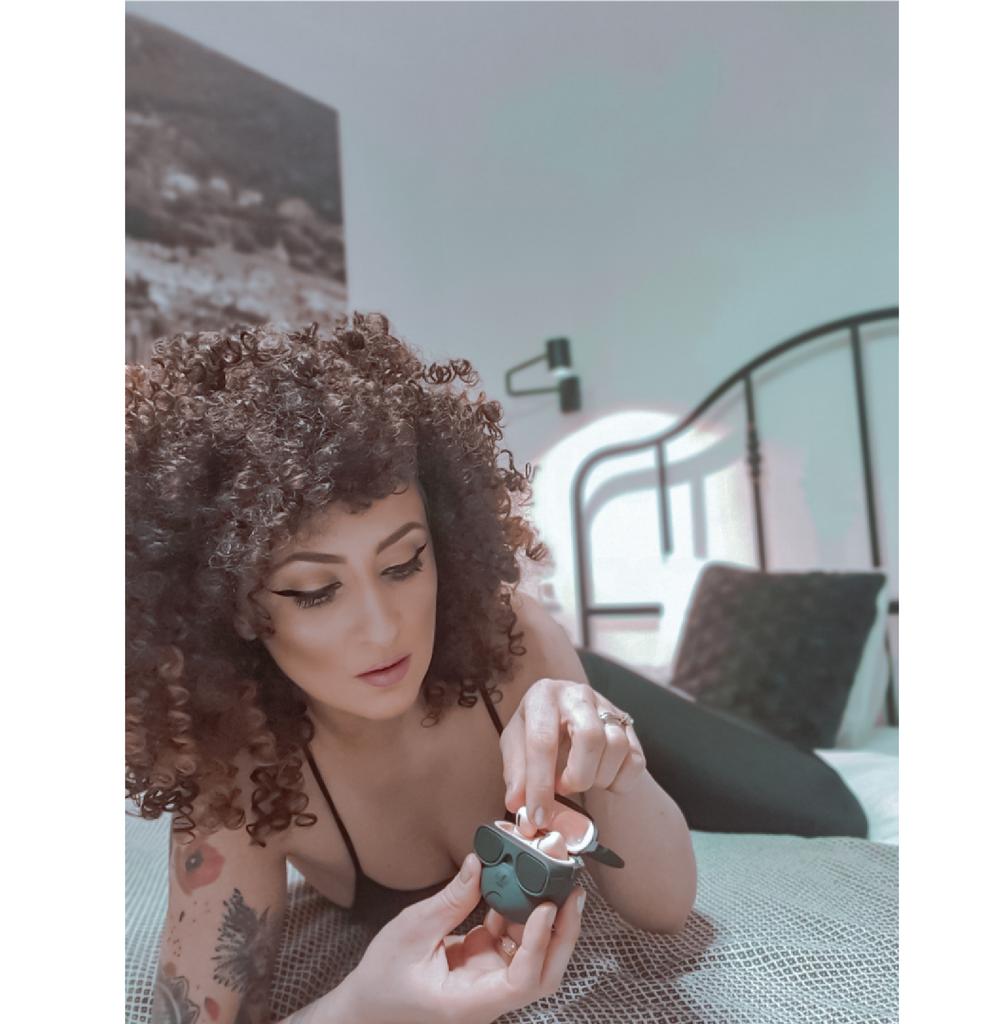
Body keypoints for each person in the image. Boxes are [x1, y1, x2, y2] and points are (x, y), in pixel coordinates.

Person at [126, 313, 697, 1024]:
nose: (382, 628)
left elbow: (668, 909)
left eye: (403, 564)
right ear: (223, 608)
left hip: (581, 700)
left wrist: (613, 755)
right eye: (315, 591)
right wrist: (361, 1009)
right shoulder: (240, 774)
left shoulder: (512, 638)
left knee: (809, 796)